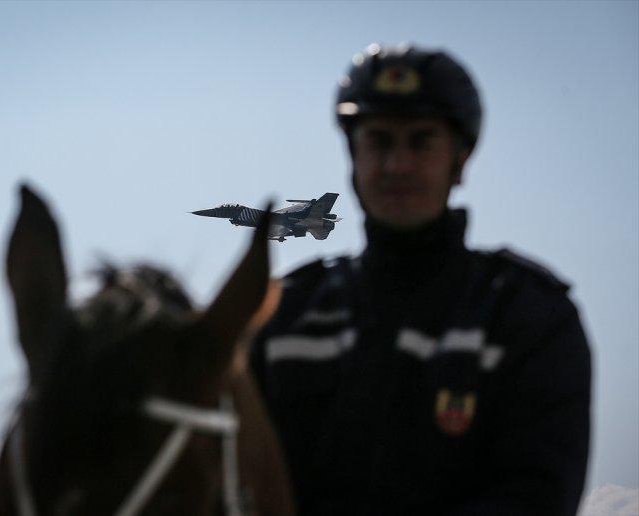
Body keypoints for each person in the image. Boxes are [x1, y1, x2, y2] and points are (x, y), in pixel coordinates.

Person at [249, 43, 591, 515]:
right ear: (353, 155)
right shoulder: (285, 316)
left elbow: (537, 495)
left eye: (421, 140)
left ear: (461, 159)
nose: (397, 165)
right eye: (379, 141)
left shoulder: (525, 315)